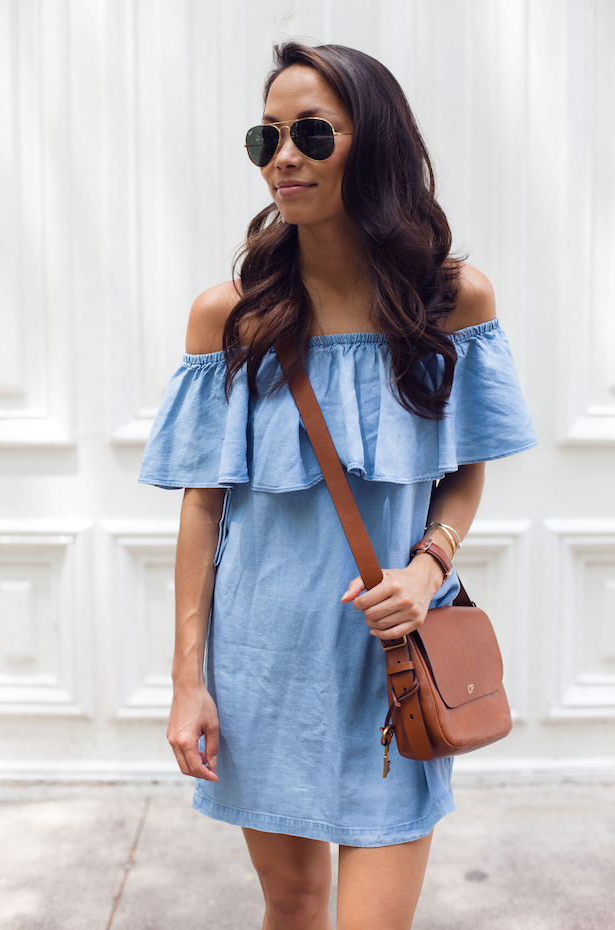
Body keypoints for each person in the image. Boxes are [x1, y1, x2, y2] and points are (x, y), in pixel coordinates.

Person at [139, 42, 537, 930]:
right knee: (292, 902)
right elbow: (203, 508)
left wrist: (428, 570)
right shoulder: (231, 314)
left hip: (388, 666)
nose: (285, 157)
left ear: (376, 142)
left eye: (314, 133)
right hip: (263, 665)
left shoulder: (453, 300)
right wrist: (186, 680)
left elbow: (468, 471)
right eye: (267, 137)